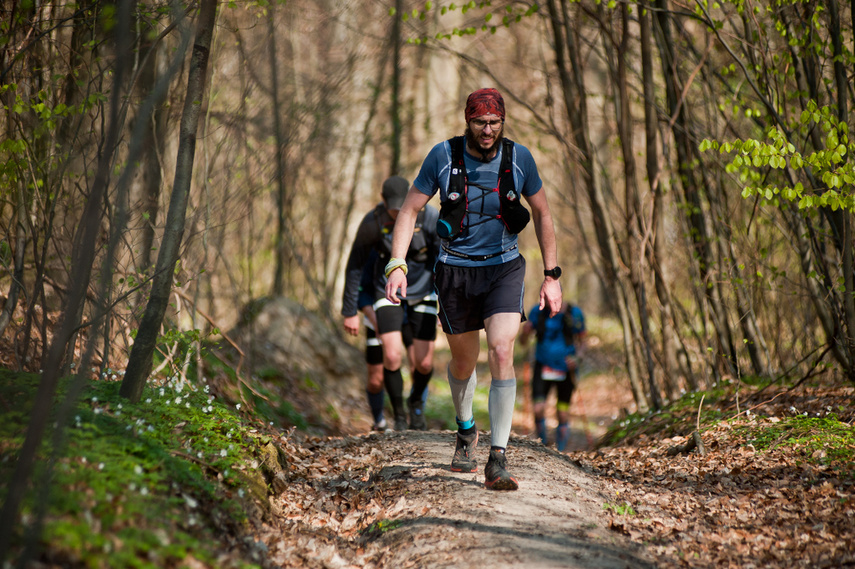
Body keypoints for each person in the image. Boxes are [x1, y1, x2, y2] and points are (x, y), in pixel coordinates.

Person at [385, 88, 562, 491]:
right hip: (454, 273)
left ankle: (497, 457)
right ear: (468, 121)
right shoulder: (442, 157)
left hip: (503, 268)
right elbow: (410, 209)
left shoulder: (520, 159)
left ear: (503, 122)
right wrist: (397, 264)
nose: (487, 130)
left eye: (494, 123)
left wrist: (552, 275)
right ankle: (466, 431)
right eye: (480, 122)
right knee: (464, 363)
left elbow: (543, 212)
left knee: (501, 349)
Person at [342, 176, 441, 431]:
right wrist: (349, 310)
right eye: (393, 206)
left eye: (402, 205)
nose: (398, 211)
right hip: (386, 290)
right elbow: (355, 266)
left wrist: (447, 302)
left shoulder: (429, 217)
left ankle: (416, 401)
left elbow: (444, 261)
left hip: (423, 289)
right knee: (393, 355)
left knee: (425, 362)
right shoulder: (373, 222)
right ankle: (398, 416)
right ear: (383, 202)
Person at [357, 250, 417, 431]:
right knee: (375, 379)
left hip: (409, 316)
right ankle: (379, 421)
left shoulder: (419, 249)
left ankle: (413, 413)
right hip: (377, 317)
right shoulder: (374, 254)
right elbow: (361, 293)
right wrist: (376, 321)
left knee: (419, 365)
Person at [519, 300, 586, 451]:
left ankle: (560, 450)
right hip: (542, 365)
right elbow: (523, 342)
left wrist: (578, 358)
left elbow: (583, 341)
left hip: (566, 368)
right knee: (538, 408)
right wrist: (525, 332)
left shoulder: (574, 313)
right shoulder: (537, 311)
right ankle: (542, 444)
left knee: (562, 412)